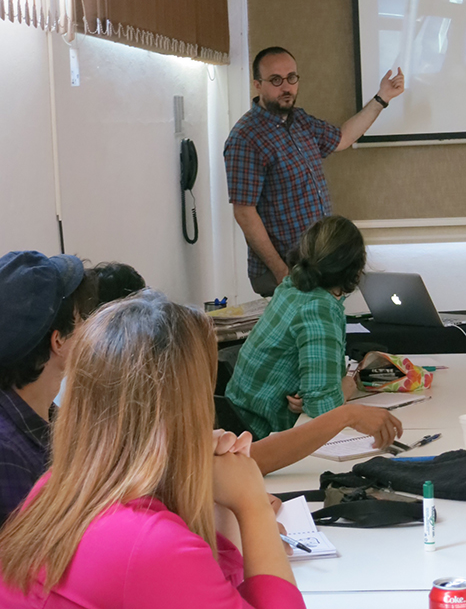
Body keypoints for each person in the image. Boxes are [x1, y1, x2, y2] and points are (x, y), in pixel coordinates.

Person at [0, 291, 305, 609]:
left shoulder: (55, 492)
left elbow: (210, 588)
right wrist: (252, 506)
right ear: (186, 410)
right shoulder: (151, 546)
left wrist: (218, 502)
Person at [224, 46, 405, 296]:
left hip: (319, 262)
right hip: (287, 270)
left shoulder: (300, 121)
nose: (286, 86)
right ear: (257, 84)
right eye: (276, 80)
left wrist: (382, 98)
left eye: (292, 78)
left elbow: (341, 138)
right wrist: (281, 272)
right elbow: (244, 212)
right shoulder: (246, 138)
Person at [226, 216, 401, 443]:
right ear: (356, 270)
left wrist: (311, 396)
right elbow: (324, 409)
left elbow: (313, 396)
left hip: (242, 424)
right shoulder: (318, 308)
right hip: (261, 437)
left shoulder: (291, 288)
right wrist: (348, 385)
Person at [0, 251, 96, 528]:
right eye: (81, 320)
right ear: (59, 341)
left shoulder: (53, 420)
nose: (88, 331)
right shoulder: (8, 459)